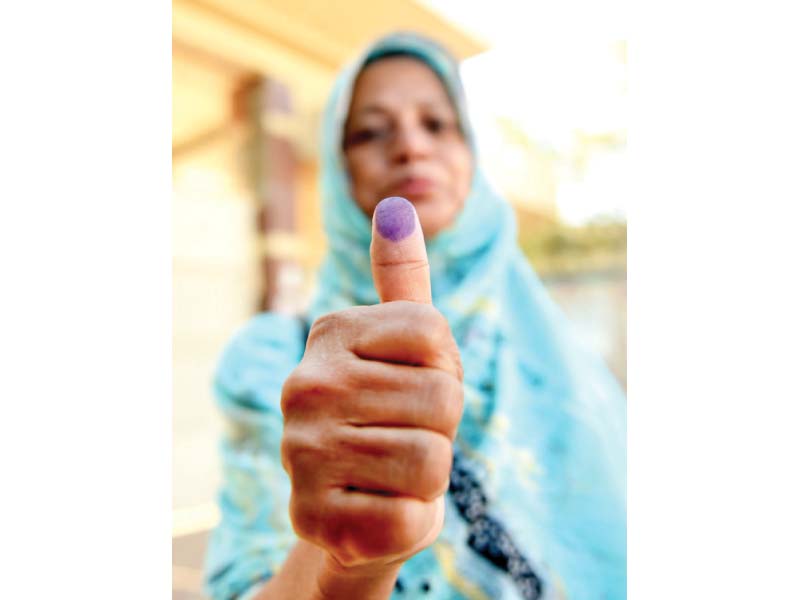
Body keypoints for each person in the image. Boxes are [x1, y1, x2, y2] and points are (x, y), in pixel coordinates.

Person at [203, 32, 626, 600]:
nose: (409, 146)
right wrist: (345, 565)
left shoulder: (551, 343)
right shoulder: (277, 362)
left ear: (472, 153)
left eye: (436, 123)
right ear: (335, 166)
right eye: (371, 131)